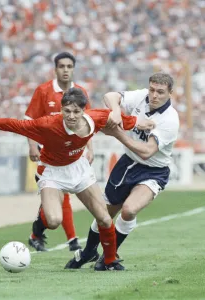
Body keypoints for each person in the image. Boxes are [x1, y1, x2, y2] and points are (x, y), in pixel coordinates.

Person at [0, 87, 155, 271]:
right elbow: (14, 125)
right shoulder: (47, 124)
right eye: (67, 111)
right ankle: (41, 219)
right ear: (61, 109)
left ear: (84, 110)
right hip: (53, 172)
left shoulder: (95, 118)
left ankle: (110, 261)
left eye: (76, 111)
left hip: (79, 169)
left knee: (104, 219)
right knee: (54, 220)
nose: (71, 116)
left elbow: (119, 120)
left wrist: (139, 122)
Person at [65, 72, 180, 271]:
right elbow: (110, 96)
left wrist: (118, 134)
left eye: (160, 92)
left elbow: (146, 152)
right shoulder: (142, 97)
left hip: (154, 171)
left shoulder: (170, 119)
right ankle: (89, 252)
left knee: (129, 210)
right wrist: (116, 111)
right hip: (127, 164)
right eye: (152, 89)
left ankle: (108, 257)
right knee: (105, 214)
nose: (154, 95)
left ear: (170, 93)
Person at [25, 52, 93, 252]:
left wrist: (90, 148)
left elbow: (88, 122)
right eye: (61, 66)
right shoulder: (44, 91)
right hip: (48, 153)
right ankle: (71, 239)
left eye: (69, 66)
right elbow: (29, 121)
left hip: (73, 151)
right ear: (55, 69)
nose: (65, 70)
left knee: (62, 196)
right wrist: (31, 145)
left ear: (73, 69)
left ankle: (38, 233)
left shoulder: (80, 93)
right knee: (61, 195)